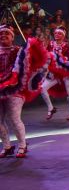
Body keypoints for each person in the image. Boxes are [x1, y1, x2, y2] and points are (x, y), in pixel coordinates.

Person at [0, 25, 48, 158]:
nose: (3, 35)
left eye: (6, 33)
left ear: (12, 37)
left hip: (15, 88)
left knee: (14, 118)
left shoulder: (18, 51)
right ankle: (7, 146)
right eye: (1, 33)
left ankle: (22, 145)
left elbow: (32, 62)